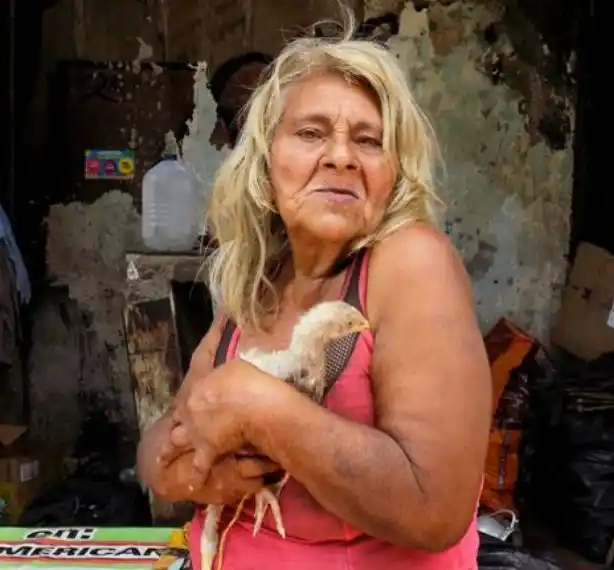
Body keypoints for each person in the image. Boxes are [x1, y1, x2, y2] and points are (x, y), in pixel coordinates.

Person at [137, 12, 493, 570]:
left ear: (393, 173)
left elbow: (435, 508)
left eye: (369, 141)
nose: (342, 156)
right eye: (311, 133)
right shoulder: (257, 278)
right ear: (265, 160)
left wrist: (261, 408)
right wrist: (185, 473)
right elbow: (168, 434)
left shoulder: (411, 262)